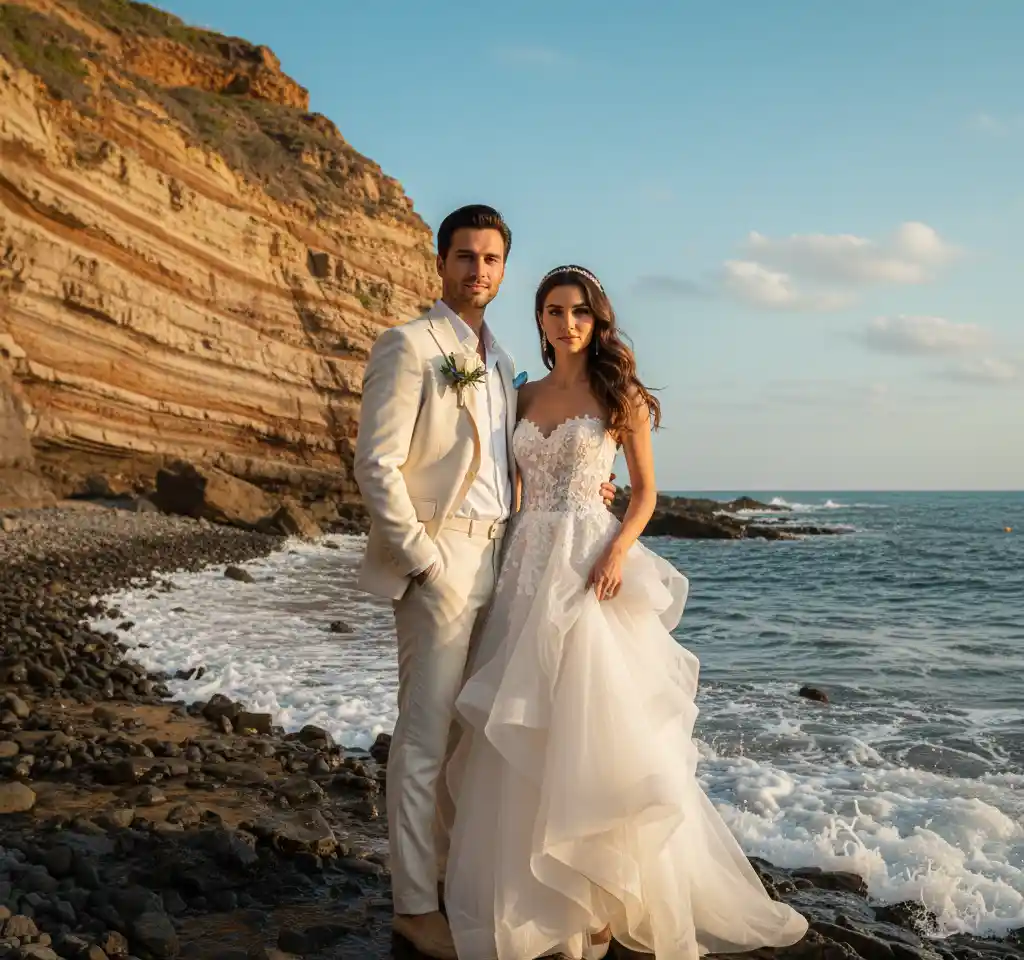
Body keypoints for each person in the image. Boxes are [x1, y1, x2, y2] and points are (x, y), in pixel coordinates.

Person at [443, 265, 810, 960]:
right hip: (525, 565)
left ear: (597, 318)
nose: (567, 322)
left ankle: (606, 892)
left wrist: (615, 554)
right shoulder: (519, 396)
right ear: (541, 320)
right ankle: (541, 902)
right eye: (553, 311)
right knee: (528, 728)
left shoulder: (622, 396)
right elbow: (503, 485)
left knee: (596, 731)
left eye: (579, 311)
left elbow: (643, 495)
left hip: (590, 563)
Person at [353, 207, 617, 960]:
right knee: (425, 735)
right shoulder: (409, 345)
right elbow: (376, 465)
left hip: (506, 564)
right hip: (439, 564)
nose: (479, 271)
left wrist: (589, 490)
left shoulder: (503, 364)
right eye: (465, 257)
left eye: (493, 259)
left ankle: (449, 877)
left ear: (504, 269)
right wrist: (423, 560)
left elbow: (519, 462)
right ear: (441, 263)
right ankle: (411, 904)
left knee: (475, 734)